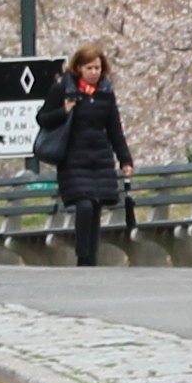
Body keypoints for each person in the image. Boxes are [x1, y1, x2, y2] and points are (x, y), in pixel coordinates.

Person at [36, 40, 133, 266]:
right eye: (89, 68)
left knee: (96, 205)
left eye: (97, 68)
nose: (93, 72)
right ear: (78, 68)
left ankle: (92, 257)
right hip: (73, 157)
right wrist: (64, 110)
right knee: (84, 204)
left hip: (99, 156)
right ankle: (82, 256)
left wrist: (125, 159)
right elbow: (43, 119)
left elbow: (114, 129)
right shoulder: (63, 89)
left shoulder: (105, 93)